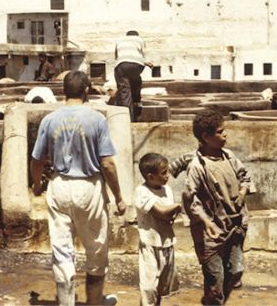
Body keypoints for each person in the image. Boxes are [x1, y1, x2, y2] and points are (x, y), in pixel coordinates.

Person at [30, 70, 126, 306]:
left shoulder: (49, 120)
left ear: (64, 91)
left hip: (59, 185)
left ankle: (66, 303)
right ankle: (94, 302)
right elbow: (107, 163)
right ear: (86, 90)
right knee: (96, 248)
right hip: (89, 186)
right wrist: (119, 196)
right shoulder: (96, 119)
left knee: (62, 250)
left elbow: (37, 159)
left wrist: (36, 184)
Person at [181, 110, 256, 306]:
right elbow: (191, 200)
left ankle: (214, 299)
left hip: (235, 225)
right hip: (211, 233)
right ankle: (214, 300)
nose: (225, 135)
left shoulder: (229, 156)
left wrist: (242, 192)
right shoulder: (198, 166)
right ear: (206, 137)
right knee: (215, 277)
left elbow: (245, 177)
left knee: (235, 270)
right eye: (220, 132)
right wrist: (206, 222)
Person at [134, 153, 181, 306]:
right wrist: (178, 206)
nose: (168, 176)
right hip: (150, 243)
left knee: (161, 285)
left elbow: (169, 216)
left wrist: (171, 211)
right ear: (150, 177)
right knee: (148, 286)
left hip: (167, 242)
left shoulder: (166, 190)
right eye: (163, 173)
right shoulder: (142, 192)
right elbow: (161, 212)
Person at [114, 30, 153, 122]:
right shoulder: (139, 39)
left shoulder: (119, 40)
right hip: (137, 65)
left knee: (125, 92)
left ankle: (127, 119)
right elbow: (144, 55)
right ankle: (137, 102)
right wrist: (148, 63)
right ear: (137, 35)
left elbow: (116, 57)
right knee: (136, 79)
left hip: (122, 65)